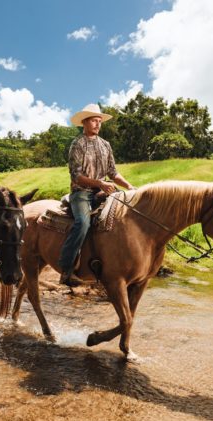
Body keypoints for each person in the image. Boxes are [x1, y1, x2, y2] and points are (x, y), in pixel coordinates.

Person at [58, 103, 135, 286]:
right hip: (81, 193)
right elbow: (76, 176)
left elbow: (113, 173)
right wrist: (99, 183)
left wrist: (130, 186)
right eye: (94, 120)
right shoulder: (77, 144)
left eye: (99, 121)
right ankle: (66, 270)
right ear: (84, 122)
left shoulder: (106, 145)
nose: (98, 124)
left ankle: (119, 265)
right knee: (83, 223)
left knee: (125, 216)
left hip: (103, 192)